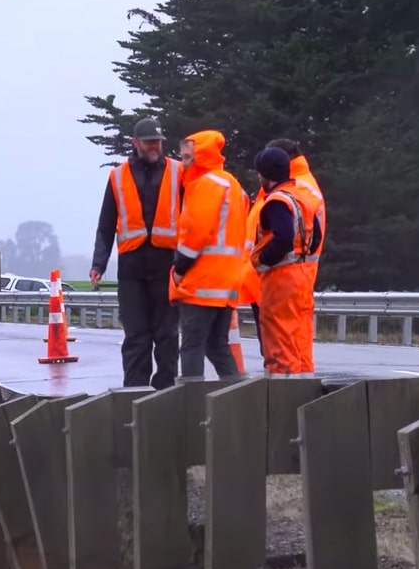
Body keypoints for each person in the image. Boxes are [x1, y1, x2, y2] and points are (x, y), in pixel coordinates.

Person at [89, 117, 184, 389]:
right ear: (135, 143)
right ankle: (134, 390)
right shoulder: (118, 176)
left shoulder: (178, 172)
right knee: (136, 335)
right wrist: (99, 263)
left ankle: (165, 388)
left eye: (158, 141)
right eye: (149, 142)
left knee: (166, 334)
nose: (155, 146)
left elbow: (190, 219)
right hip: (131, 268)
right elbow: (106, 225)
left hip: (167, 265)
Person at [169, 130, 249, 381]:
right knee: (217, 346)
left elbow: (196, 233)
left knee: (192, 345)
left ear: (200, 156)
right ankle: (238, 397)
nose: (183, 162)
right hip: (227, 284)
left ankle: (191, 405)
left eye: (187, 156)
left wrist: (180, 267)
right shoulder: (231, 184)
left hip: (202, 282)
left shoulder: (204, 185)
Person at [250, 146, 325, 374]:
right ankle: (303, 385)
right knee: (299, 337)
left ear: (265, 175)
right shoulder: (303, 196)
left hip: (281, 278)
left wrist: (264, 259)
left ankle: (282, 394)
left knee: (279, 338)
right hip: (302, 275)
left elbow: (283, 236)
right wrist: (300, 255)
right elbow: (317, 235)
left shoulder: (276, 202)